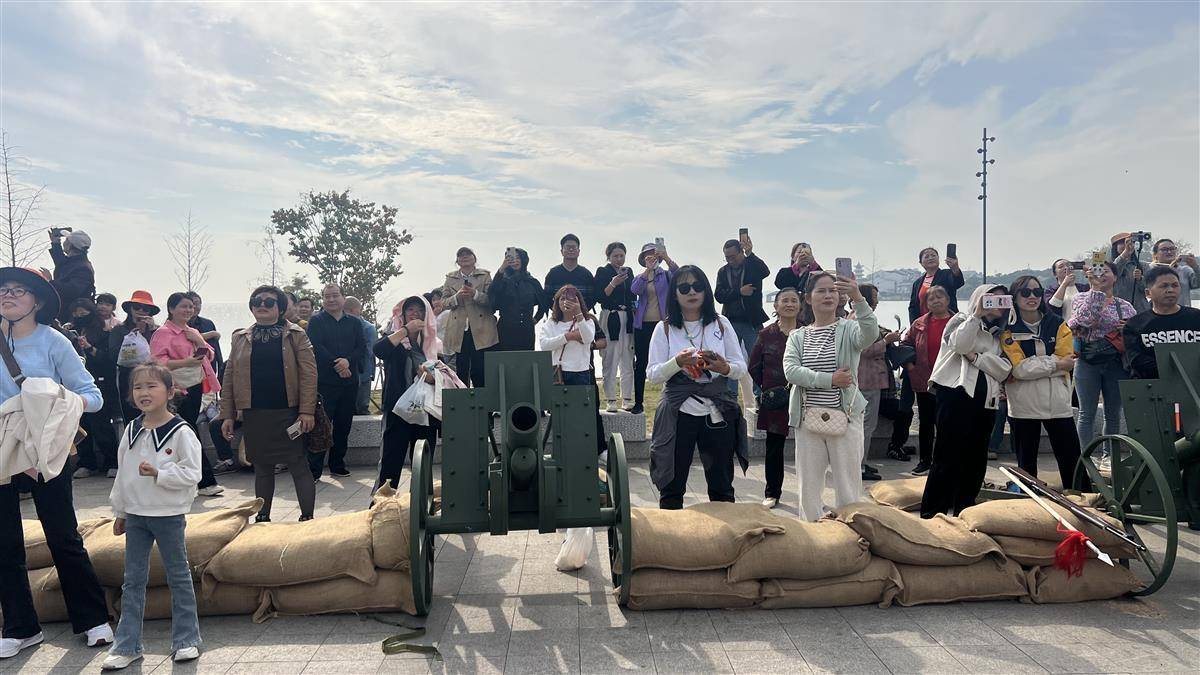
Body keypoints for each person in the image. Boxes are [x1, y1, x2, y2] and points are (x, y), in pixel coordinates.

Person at [0, 266, 113, 660]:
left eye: (18, 290)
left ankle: (93, 619)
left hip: (47, 449)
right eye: (3, 290)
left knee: (63, 535)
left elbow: (91, 396)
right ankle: (20, 627)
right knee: (4, 542)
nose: (8, 295)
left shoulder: (54, 342)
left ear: (38, 301)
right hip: (0, 449)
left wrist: (55, 404)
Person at [102, 364, 203, 670]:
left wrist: (160, 472)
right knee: (132, 581)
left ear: (170, 392)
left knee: (178, 576)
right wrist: (120, 511)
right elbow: (123, 475)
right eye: (137, 388)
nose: (144, 393)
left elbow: (193, 473)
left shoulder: (182, 431)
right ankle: (127, 645)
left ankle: (187, 640)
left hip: (168, 515)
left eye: (151, 386)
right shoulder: (132, 429)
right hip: (135, 515)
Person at [647, 266, 749, 509]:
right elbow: (653, 374)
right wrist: (677, 363)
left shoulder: (720, 323)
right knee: (672, 484)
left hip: (717, 409)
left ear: (706, 290)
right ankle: (672, 540)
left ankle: (726, 539)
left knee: (722, 485)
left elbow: (740, 367)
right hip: (678, 412)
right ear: (674, 294)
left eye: (698, 286)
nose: (692, 292)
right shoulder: (664, 328)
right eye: (684, 288)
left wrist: (723, 368)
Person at [783, 273, 878, 521]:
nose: (828, 296)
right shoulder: (797, 336)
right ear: (808, 298)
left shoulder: (849, 329)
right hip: (808, 419)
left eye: (833, 291)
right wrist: (829, 380)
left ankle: (851, 533)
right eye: (821, 291)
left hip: (845, 417)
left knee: (848, 486)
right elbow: (791, 371)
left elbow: (870, 334)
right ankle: (812, 536)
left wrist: (858, 297)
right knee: (808, 487)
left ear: (840, 298)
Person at [219, 286, 318, 522]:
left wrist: (306, 410)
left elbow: (309, 374)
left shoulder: (295, 334)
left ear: (280, 308)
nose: (262, 304)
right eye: (256, 300)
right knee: (262, 467)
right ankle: (263, 517)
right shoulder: (240, 337)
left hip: (289, 413)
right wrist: (227, 414)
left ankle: (307, 518)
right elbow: (229, 376)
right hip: (255, 414)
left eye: (269, 302)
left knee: (298, 465)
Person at [920, 285, 1012, 518]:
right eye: (991, 298)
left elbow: (1005, 368)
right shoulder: (960, 319)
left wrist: (977, 358)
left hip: (986, 402)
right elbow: (959, 345)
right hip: (955, 394)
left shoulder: (1001, 333)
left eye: (1002, 299)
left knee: (976, 459)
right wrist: (976, 315)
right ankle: (932, 514)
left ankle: (965, 512)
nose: (996, 303)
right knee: (946, 455)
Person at [1000, 275, 1081, 488]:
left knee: (1072, 460)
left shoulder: (1057, 323)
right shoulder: (1007, 328)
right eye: (1025, 292)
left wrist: (1037, 365)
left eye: (1037, 292)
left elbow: (1069, 359)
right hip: (1023, 406)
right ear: (1015, 297)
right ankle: (1029, 506)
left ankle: (1082, 500)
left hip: (1058, 404)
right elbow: (1018, 369)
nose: (1032, 297)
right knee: (1026, 465)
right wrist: (1056, 365)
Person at [149, 293, 223, 497]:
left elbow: (210, 354)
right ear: (171, 309)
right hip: (175, 389)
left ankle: (191, 480)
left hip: (195, 384)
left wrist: (199, 340)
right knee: (186, 430)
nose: (189, 310)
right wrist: (185, 363)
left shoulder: (192, 331)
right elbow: (156, 361)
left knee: (184, 431)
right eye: (184, 306)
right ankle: (204, 481)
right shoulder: (163, 333)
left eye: (191, 307)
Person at [1068, 261, 1136, 456]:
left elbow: (1135, 335)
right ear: (1089, 275)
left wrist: (1127, 329)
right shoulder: (1080, 299)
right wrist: (1096, 290)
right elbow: (1084, 319)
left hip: (1115, 361)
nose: (1102, 274)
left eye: (1106, 271)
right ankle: (1086, 457)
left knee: (1113, 414)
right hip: (1087, 361)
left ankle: (1110, 457)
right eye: (1098, 270)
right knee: (1086, 414)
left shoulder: (1124, 305)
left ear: (1115, 277)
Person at [374, 296, 439, 491]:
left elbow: (447, 373)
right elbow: (379, 349)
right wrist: (404, 331)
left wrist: (431, 378)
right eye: (410, 310)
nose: (415, 313)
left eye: (420, 310)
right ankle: (381, 506)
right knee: (390, 461)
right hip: (398, 409)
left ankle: (420, 509)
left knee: (423, 461)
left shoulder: (434, 344)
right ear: (402, 314)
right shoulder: (394, 338)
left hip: (426, 411)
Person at [748, 287, 801, 508]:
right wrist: (769, 388)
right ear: (776, 306)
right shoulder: (766, 334)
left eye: (794, 301)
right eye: (784, 301)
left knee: (810, 447)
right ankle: (772, 492)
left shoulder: (808, 332)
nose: (789, 304)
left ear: (800, 305)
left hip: (805, 396)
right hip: (776, 399)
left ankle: (810, 493)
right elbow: (753, 366)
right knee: (774, 448)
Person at [305, 283, 365, 479]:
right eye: (327, 296)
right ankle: (313, 469)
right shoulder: (316, 321)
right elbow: (316, 347)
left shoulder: (355, 323)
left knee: (343, 425)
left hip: (349, 382)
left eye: (335, 295)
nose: (331, 299)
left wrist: (348, 361)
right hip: (325, 382)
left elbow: (361, 348)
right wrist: (337, 364)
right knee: (321, 425)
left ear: (343, 297)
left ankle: (337, 464)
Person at [896, 285, 953, 476]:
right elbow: (904, 345)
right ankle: (925, 461)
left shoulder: (958, 322)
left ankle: (945, 461)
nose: (936, 301)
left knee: (947, 423)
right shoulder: (919, 324)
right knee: (926, 422)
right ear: (925, 303)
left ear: (948, 300)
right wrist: (911, 368)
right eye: (931, 299)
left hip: (951, 381)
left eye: (940, 296)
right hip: (925, 380)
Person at [65, 298, 120, 479]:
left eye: (84, 313)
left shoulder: (104, 331)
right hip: (73, 384)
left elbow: (108, 359)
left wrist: (89, 347)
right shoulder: (67, 332)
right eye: (77, 313)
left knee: (101, 424)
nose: (80, 316)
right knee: (80, 424)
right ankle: (86, 462)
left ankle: (112, 461)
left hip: (99, 382)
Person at [714, 234, 771, 401]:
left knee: (758, 358)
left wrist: (751, 253)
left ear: (740, 252)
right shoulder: (723, 272)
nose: (730, 260)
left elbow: (765, 271)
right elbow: (718, 295)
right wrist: (739, 292)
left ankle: (760, 396)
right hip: (730, 320)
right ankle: (730, 397)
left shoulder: (752, 265)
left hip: (751, 321)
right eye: (727, 258)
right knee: (729, 359)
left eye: (733, 256)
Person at [854, 284, 900, 480]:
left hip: (869, 378)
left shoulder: (857, 317)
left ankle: (861, 462)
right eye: (874, 296)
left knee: (866, 425)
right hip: (867, 378)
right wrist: (886, 342)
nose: (878, 300)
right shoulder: (859, 319)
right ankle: (858, 465)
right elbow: (863, 350)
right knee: (865, 425)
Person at [1124, 266, 1200, 380]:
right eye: (1164, 286)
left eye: (1175, 285)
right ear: (1148, 293)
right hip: (1153, 387)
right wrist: (1173, 370)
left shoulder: (1196, 318)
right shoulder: (1134, 325)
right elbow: (1136, 360)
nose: (1170, 290)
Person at [630, 242, 679, 415]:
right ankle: (638, 402)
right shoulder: (640, 277)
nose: (651, 257)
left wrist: (666, 257)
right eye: (647, 255)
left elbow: (679, 275)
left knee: (669, 361)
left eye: (653, 254)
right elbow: (635, 289)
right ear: (643, 259)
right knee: (641, 362)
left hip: (663, 325)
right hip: (643, 326)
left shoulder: (666, 275)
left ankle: (670, 399)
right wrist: (647, 271)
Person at [441, 248, 497, 387]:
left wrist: (475, 294)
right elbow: (443, 303)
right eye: (460, 255)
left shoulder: (484, 276)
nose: (464, 257)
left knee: (479, 369)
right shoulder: (450, 277)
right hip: (459, 329)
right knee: (461, 367)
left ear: (474, 258)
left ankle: (482, 402)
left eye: (468, 255)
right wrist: (456, 297)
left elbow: (492, 300)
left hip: (481, 328)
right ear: (457, 261)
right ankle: (463, 400)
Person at [594, 243, 635, 412]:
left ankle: (627, 397)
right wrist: (613, 283)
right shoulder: (603, 272)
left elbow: (633, 294)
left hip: (627, 317)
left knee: (627, 357)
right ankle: (610, 399)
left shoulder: (628, 271)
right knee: (610, 357)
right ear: (609, 257)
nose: (619, 259)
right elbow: (599, 296)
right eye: (615, 256)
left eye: (621, 255)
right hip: (610, 316)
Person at [110, 291, 160, 425]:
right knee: (130, 414)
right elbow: (114, 356)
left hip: (153, 376)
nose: (141, 311)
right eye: (137, 307)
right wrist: (130, 342)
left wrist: (152, 331)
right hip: (128, 377)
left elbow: (161, 353)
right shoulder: (119, 330)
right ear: (130, 309)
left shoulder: (157, 331)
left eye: (145, 309)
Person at [538, 285, 597, 386]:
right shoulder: (551, 323)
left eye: (571, 298)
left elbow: (588, 339)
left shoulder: (587, 321)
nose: (566, 301)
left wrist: (578, 313)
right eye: (562, 299)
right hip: (558, 371)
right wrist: (569, 336)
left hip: (580, 372)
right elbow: (544, 345)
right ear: (557, 302)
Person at [489, 248, 545, 351]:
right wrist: (501, 269)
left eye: (518, 258)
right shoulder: (502, 281)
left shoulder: (532, 281)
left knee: (526, 360)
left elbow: (543, 304)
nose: (515, 261)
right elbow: (492, 293)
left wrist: (536, 318)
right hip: (506, 329)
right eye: (511, 258)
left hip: (526, 330)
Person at [44, 230, 96, 323]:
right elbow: (62, 263)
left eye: (67, 240)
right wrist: (55, 243)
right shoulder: (76, 261)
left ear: (71, 245)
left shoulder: (83, 268)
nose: (64, 242)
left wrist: (51, 281)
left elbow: (71, 290)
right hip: (65, 311)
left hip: (72, 316)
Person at [907, 246, 964, 323]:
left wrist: (955, 268)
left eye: (933, 255)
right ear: (921, 262)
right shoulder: (917, 283)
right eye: (926, 257)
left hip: (947, 322)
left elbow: (958, 282)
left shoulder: (946, 274)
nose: (930, 258)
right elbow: (913, 307)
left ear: (938, 259)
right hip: (925, 325)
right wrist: (914, 327)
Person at [543, 234, 596, 311]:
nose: (571, 250)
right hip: (559, 319)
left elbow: (592, 298)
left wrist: (580, 312)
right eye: (568, 247)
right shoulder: (553, 273)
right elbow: (547, 297)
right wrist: (560, 313)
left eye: (574, 247)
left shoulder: (586, 274)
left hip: (581, 318)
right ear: (561, 251)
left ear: (579, 251)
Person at [344, 296, 377, 415]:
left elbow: (368, 353)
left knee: (362, 408)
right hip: (346, 374)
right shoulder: (343, 326)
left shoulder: (368, 328)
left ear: (353, 311)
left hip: (363, 374)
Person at [1149, 238, 1200, 308]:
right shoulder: (1149, 269)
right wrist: (1169, 269)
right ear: (1155, 254)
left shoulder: (1185, 270)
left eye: (1172, 249)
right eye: (1164, 249)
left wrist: (1195, 267)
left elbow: (1197, 284)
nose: (1169, 252)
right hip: (1159, 313)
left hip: (1182, 312)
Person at [185, 292, 223, 381]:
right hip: (187, 371)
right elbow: (185, 337)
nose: (195, 307)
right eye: (192, 304)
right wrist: (210, 334)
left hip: (209, 370)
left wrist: (221, 369)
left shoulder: (208, 323)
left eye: (197, 303)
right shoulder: (178, 323)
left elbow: (215, 348)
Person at [1110, 232, 1149, 313]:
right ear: (1115, 247)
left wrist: (1140, 279)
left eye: (1130, 242)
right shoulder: (1109, 267)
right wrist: (1125, 253)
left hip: (1140, 311)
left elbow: (1149, 288)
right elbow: (1114, 271)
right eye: (1122, 243)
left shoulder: (1143, 266)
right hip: (1119, 312)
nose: (1126, 245)